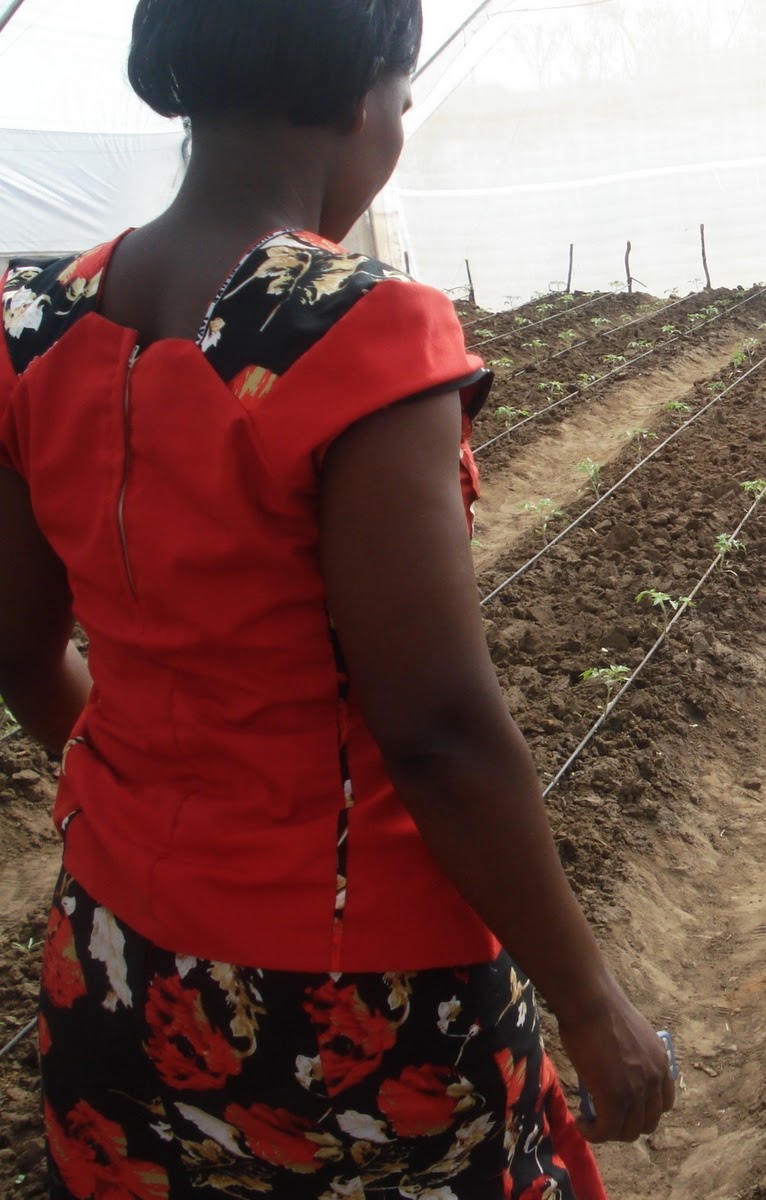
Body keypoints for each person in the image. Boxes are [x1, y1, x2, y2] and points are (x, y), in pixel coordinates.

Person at [0, 2, 675, 1195]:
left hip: (113, 954)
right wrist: (591, 1006)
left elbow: (16, 647)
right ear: (364, 94)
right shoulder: (359, 329)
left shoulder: (35, 319)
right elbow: (438, 732)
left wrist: (158, 802)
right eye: (405, 104)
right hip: (355, 1003)